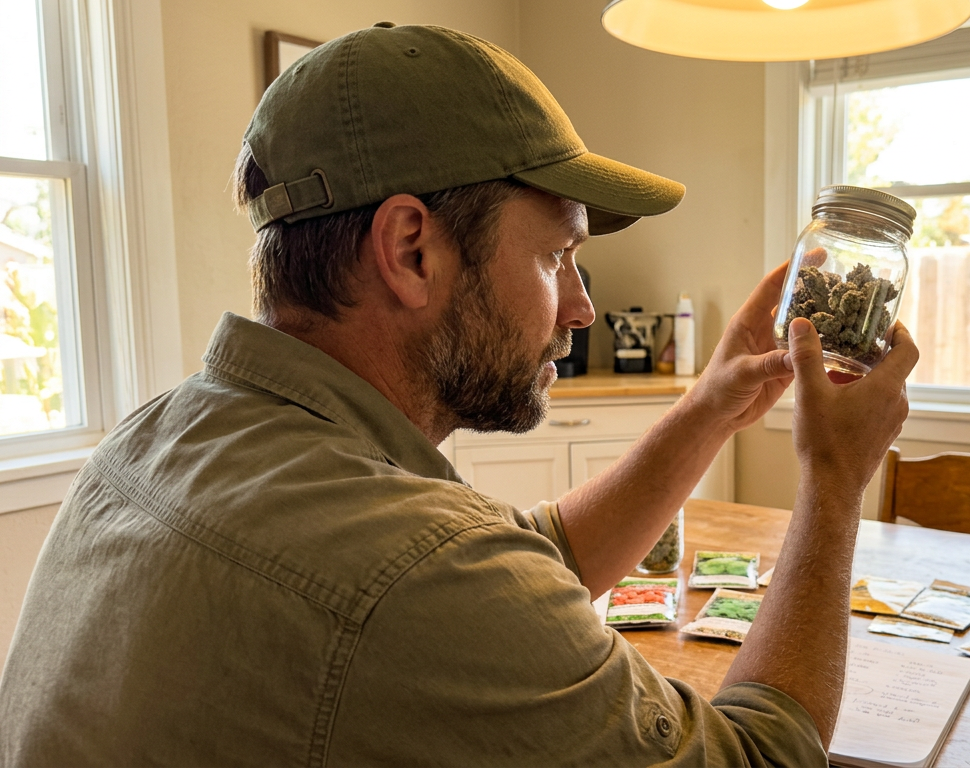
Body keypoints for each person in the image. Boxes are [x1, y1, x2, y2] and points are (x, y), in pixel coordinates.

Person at [0, 23, 917, 766]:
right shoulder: (412, 578)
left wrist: (713, 402)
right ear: (411, 250)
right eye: (557, 256)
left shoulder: (158, 436)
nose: (582, 308)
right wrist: (836, 484)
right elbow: (762, 757)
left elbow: (524, 561)